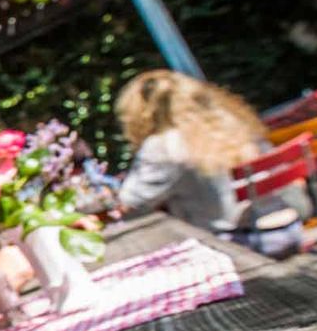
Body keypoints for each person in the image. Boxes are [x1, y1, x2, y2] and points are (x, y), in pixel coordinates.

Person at [114, 69, 267, 231]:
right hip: (285, 226)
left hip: (232, 240)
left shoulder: (162, 146)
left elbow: (131, 206)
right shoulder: (230, 124)